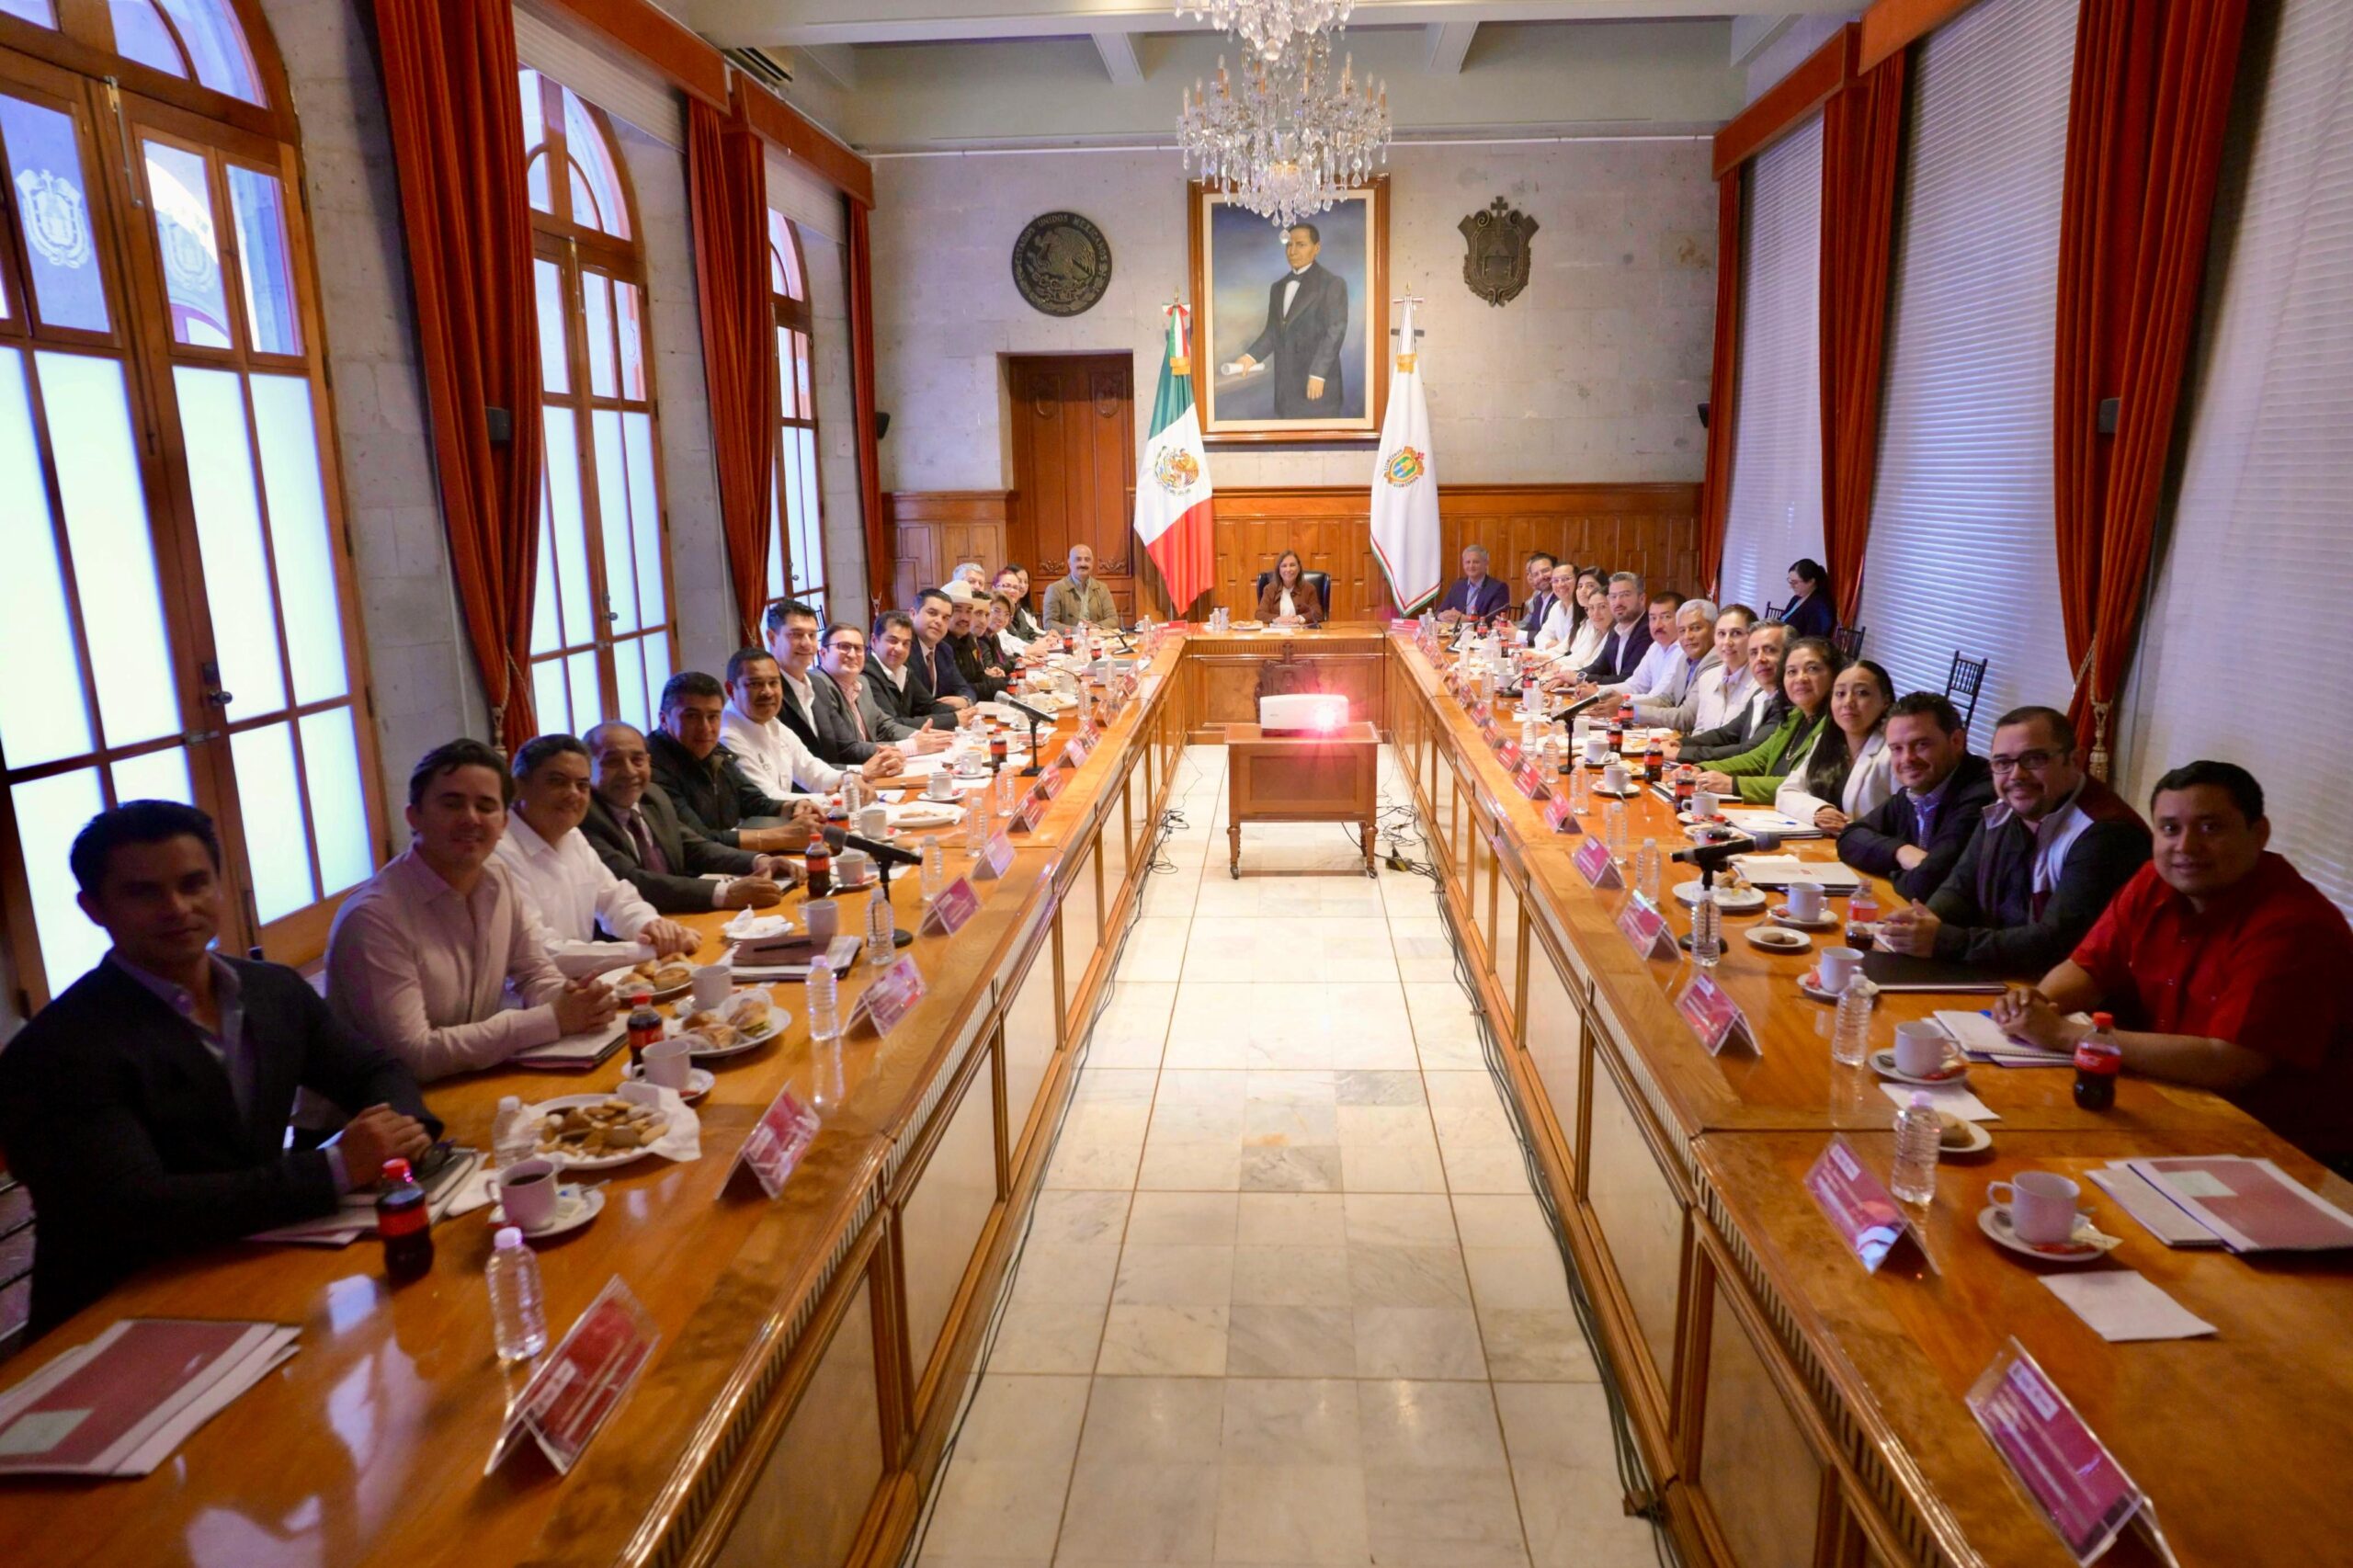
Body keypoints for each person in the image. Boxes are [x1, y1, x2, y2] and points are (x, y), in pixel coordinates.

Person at [0, 801, 441, 1335]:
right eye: (143, 893)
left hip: (255, 1261)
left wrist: (401, 1135)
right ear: (93, 907)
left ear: (221, 885)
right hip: (121, 1311)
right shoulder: (57, 1050)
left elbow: (373, 1068)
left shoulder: (272, 990)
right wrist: (335, 1167)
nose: (177, 908)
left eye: (194, 884)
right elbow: (136, 1209)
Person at [1991, 762, 2353, 1165]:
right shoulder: (2155, 881)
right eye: (2169, 828)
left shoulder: (2294, 926)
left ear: (2259, 833)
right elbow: (2089, 968)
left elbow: (2230, 1062)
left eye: (2210, 828)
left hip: (2279, 1149)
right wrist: (2036, 1003)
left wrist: (2065, 1034)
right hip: (2174, 1102)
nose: (2186, 846)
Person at [327, 740, 616, 1081]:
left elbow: (534, 973)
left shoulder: (497, 878)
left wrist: (574, 1000)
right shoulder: (374, 918)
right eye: (452, 804)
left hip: (466, 1077)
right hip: (382, 1103)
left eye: (486, 806)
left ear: (504, 822)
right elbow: (412, 1055)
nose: (471, 819)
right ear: (414, 816)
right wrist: (551, 1019)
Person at [1877, 706, 2150, 973]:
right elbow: (1960, 888)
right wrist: (1923, 923)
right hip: (2006, 974)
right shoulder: (2007, 808)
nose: (2017, 775)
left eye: (2034, 759)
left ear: (2075, 761)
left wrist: (1942, 941)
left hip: (2062, 992)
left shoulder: (2106, 833)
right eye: (2003, 763)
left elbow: (2054, 945)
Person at [494, 734, 703, 978]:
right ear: (518, 786)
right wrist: (648, 951)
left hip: (579, 988)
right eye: (557, 782)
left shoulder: (572, 836)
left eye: (582, 785)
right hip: (527, 996)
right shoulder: (499, 853)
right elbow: (539, 952)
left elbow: (615, 898)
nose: (573, 794)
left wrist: (651, 925)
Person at [581, 722, 795, 913]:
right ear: (587, 768)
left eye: (637, 760)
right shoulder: (584, 816)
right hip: (627, 932)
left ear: (648, 761)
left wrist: (759, 861)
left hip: (679, 918)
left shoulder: (652, 796)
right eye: (612, 762)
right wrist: (725, 893)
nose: (629, 772)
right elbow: (634, 882)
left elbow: (694, 846)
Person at [1836, 692, 1996, 903]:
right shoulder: (1917, 791)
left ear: (1957, 741)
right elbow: (1849, 838)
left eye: (1921, 745)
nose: (1907, 759)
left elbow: (1927, 884)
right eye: (1897, 749)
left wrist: (1898, 872)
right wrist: (1901, 852)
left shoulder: (1982, 794)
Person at [654, 669, 825, 850]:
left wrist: (794, 807)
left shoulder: (716, 753)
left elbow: (755, 802)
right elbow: (699, 841)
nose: (705, 728)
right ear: (664, 720)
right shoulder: (654, 767)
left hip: (732, 859)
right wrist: (783, 836)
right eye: (692, 717)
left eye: (713, 717)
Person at [718, 651, 900, 803]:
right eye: (755, 684)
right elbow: (768, 799)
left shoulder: (771, 723)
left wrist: (847, 779)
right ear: (731, 690)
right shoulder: (726, 736)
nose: (768, 692)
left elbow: (811, 770)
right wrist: (840, 797)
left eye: (773, 682)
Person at [1218, 221, 1348, 419]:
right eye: (1288, 245)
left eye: (1300, 245)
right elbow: (1273, 332)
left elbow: (1335, 332)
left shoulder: (1332, 284)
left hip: (1317, 386)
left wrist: (1318, 374)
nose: (1292, 251)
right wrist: (1250, 357)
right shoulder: (1277, 288)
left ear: (1317, 248)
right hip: (1286, 390)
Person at [1692, 636, 1841, 804]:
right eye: (1792, 671)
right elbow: (1757, 759)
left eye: (1812, 669)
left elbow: (1807, 785)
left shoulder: (1836, 726)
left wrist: (1734, 784)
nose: (1801, 678)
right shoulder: (1795, 717)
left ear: (1835, 676)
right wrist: (1701, 768)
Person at [763, 599, 889, 767]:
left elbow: (846, 747)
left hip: (836, 779)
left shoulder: (817, 685)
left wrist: (895, 752)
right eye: (796, 634)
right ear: (772, 638)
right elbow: (792, 768)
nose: (807, 643)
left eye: (812, 635)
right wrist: (857, 772)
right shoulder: (766, 694)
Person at [1775, 659, 1896, 831]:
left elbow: (1905, 824)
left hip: (1867, 846)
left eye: (1862, 693)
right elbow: (1786, 792)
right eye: (1840, 693)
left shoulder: (1894, 752)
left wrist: (1850, 831)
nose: (1848, 702)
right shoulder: (1827, 740)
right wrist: (1819, 811)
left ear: (1885, 702)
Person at [828, 620, 952, 756]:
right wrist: (913, 745)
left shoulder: (861, 682)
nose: (852, 654)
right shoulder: (821, 687)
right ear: (823, 653)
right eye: (844, 647)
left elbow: (884, 725)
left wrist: (919, 736)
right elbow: (846, 749)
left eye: (858, 648)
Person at [1669, 621, 1786, 763]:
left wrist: (1680, 753)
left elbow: (1748, 751)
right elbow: (1727, 734)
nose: (1760, 659)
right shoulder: (1761, 695)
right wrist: (1680, 743)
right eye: (1754, 653)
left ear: (1790, 655)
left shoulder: (1788, 704)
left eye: (1770, 650)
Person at [1639, 604, 1755, 733]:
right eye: (1682, 630)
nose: (1687, 636)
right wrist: (1627, 707)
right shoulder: (1686, 660)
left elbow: (1687, 717)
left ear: (1712, 631)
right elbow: (1667, 700)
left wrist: (1633, 712)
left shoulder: (1716, 661)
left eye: (1695, 628)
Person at [1568, 591, 1696, 705]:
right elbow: (1634, 685)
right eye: (1653, 618)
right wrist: (1597, 690)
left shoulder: (1684, 651)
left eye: (1666, 617)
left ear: (1681, 620)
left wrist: (1600, 695)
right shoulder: (1656, 646)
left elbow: (1657, 699)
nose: (1658, 625)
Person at [865, 610, 962, 741]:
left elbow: (929, 705)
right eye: (893, 641)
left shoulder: (904, 670)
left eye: (906, 643)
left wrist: (959, 713)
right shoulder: (865, 675)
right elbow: (892, 725)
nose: (900, 649)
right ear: (874, 641)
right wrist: (953, 719)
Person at [909, 586, 980, 711]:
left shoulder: (944, 650)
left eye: (945, 618)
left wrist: (965, 700)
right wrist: (952, 714)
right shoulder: (904, 649)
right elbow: (919, 704)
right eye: (932, 613)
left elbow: (964, 688)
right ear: (913, 614)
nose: (939, 621)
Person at [1577, 572, 1653, 685]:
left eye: (1625, 595)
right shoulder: (1616, 629)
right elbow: (1598, 667)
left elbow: (1626, 679)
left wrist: (1579, 678)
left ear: (1642, 599)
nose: (1618, 602)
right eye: (1613, 596)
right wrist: (1567, 677)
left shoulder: (1648, 630)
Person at [945, 583, 1011, 701]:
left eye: (968, 611)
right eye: (957, 610)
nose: (965, 618)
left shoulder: (968, 639)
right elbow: (958, 690)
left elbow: (979, 677)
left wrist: (1011, 682)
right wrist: (1008, 684)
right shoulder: (941, 645)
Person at [1042, 544, 1120, 631]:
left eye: (1087, 559)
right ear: (1070, 563)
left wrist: (1094, 627)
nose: (1083, 564)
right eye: (1078, 559)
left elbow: (1113, 619)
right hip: (1069, 638)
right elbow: (1049, 623)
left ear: (1092, 563)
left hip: (1097, 637)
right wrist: (1076, 630)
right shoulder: (1055, 589)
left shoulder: (1102, 588)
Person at [1433, 544, 1509, 624]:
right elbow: (1438, 612)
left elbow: (1493, 619)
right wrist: (1441, 616)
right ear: (1463, 564)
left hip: (1482, 632)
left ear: (1486, 564)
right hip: (1455, 631)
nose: (1471, 566)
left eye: (1476, 562)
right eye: (1468, 562)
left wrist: (1467, 620)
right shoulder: (1457, 586)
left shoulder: (1498, 588)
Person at [1256, 549, 1325, 625]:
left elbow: (1318, 614)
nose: (1288, 569)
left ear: (1299, 568)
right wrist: (1277, 619)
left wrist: (1298, 618)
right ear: (1279, 570)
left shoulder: (1309, 588)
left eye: (1292, 565)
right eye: (1284, 566)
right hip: (1277, 631)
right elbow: (1259, 614)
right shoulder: (1269, 589)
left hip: (1301, 631)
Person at [1780, 558, 1836, 641]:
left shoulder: (1819, 607)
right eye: (1790, 581)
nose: (1791, 586)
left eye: (1795, 582)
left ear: (1811, 581)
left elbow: (1813, 640)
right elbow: (1782, 620)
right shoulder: (1796, 599)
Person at [996, 565, 1044, 642]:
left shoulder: (1018, 610)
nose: (1012, 590)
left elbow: (1029, 633)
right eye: (1007, 586)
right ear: (995, 587)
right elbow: (1009, 641)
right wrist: (1033, 645)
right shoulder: (994, 611)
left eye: (1015, 587)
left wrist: (1046, 638)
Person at [1518, 551, 1560, 638]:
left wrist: (1517, 634)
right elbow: (1532, 627)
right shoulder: (1538, 599)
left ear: (1556, 570)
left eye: (1545, 571)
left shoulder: (1561, 598)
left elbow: (1551, 636)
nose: (1541, 577)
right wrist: (1510, 630)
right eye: (1536, 574)